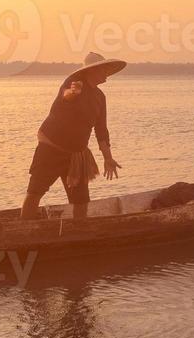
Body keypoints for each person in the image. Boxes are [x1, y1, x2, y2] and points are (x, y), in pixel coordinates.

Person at [21, 53, 125, 220]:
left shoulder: (100, 97)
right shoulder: (73, 84)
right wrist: (73, 93)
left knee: (81, 201)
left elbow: (101, 130)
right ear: (93, 70)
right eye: (103, 69)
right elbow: (66, 96)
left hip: (76, 155)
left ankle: (78, 232)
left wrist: (108, 158)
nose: (107, 73)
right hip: (51, 148)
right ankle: (23, 233)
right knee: (35, 193)